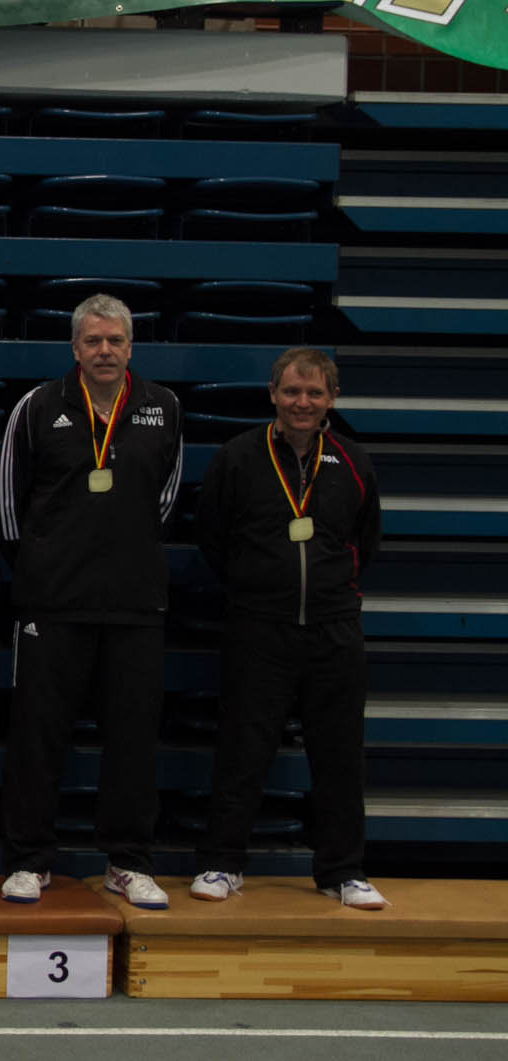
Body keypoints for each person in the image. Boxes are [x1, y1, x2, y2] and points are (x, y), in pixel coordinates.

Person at [0, 294, 184, 908]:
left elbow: (164, 502)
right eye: (94, 341)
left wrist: (122, 556)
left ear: (131, 347)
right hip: (52, 605)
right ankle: (30, 860)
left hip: (136, 605)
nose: (105, 351)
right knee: (36, 738)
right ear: (75, 347)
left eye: (115, 341)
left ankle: (127, 862)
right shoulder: (37, 407)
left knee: (133, 742)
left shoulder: (163, 407)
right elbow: (9, 507)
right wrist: (46, 570)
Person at [192, 348, 385, 909]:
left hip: (334, 630)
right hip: (259, 629)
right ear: (273, 394)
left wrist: (329, 590)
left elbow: (366, 541)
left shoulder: (353, 461)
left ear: (333, 399)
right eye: (293, 391)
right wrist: (257, 587)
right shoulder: (238, 457)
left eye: (314, 393)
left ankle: (342, 871)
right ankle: (222, 863)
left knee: (339, 755)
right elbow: (213, 538)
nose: (303, 402)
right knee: (242, 750)